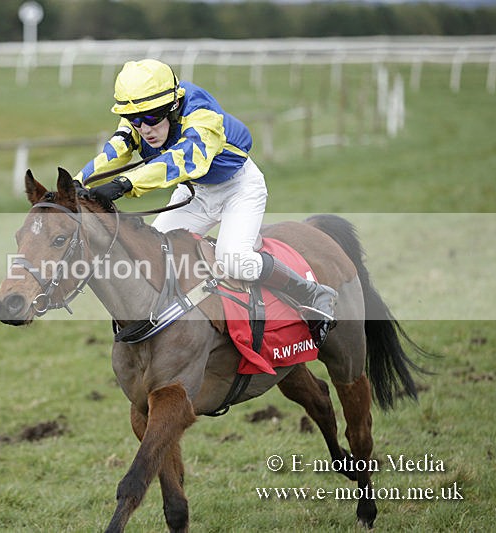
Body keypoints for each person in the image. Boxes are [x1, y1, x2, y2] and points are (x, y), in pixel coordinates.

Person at [74, 59, 336, 346]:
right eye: (135, 120)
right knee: (151, 255)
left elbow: (184, 159)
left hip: (239, 188)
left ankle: (312, 292)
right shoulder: (142, 109)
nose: (144, 128)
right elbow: (117, 148)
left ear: (173, 107)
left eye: (151, 118)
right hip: (196, 193)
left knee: (234, 260)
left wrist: (126, 184)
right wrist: (80, 181)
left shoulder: (202, 114)